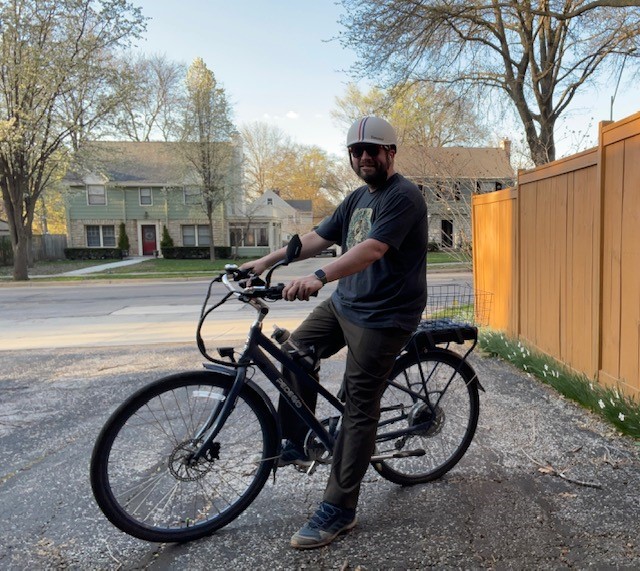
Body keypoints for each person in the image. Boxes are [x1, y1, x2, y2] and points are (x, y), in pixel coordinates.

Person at [240, 116, 428, 549]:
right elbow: (317, 237)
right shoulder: (357, 198)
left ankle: (339, 510)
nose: (363, 157)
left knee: (359, 408)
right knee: (294, 353)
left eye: (372, 150)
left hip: (385, 316)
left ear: (390, 153)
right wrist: (266, 262)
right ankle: (301, 439)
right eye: (356, 151)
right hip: (347, 304)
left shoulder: (405, 197)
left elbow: (372, 248)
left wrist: (320, 277)